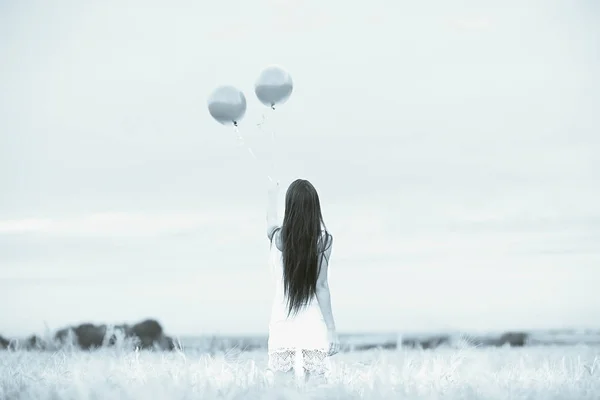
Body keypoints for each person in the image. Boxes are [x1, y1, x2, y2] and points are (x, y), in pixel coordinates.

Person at [265, 178, 340, 385]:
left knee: (281, 388)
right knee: (316, 387)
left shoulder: (277, 237)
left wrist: (272, 193)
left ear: (289, 208)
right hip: (312, 321)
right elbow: (321, 286)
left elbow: (270, 219)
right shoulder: (323, 241)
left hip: (282, 318)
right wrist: (332, 329)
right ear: (315, 207)